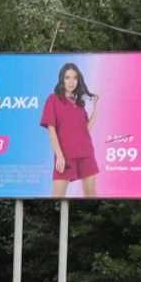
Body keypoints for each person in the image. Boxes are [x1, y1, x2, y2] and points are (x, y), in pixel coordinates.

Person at [39, 62, 100, 198]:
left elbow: (86, 131)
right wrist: (59, 155)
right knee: (57, 197)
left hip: (86, 154)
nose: (71, 82)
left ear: (78, 80)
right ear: (62, 79)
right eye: (67, 77)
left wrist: (96, 109)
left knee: (91, 196)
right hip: (65, 156)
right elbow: (51, 130)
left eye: (75, 78)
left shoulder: (79, 104)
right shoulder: (53, 99)